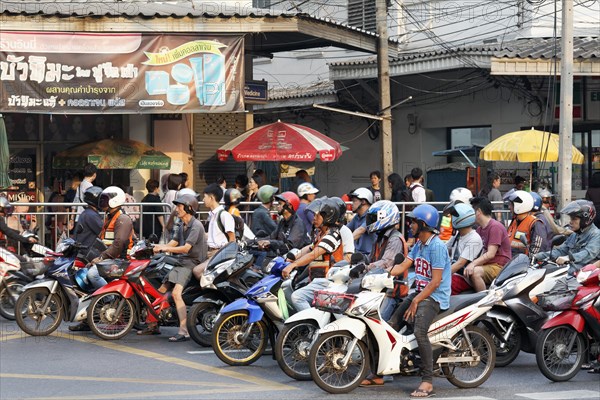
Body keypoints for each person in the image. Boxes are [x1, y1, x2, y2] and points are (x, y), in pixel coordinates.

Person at [385, 204, 451, 397]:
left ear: (423, 224)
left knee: (419, 331)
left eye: (413, 222)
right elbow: (404, 264)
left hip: (434, 297)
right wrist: (380, 273)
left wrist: (416, 301)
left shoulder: (436, 247)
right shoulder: (419, 245)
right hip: (421, 293)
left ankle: (427, 381)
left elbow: (436, 282)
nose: (410, 225)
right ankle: (382, 371)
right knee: (392, 324)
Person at [138, 194, 206, 342]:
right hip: (180, 262)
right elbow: (174, 243)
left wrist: (162, 249)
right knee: (160, 291)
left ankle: (184, 330)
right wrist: (155, 247)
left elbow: (186, 248)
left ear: (188, 208)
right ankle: (153, 324)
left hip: (190, 263)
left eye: (179, 206)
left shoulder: (196, 226)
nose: (176, 209)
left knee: (176, 294)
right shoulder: (182, 224)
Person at [70, 186, 134, 332]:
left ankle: (112, 307)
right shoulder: (110, 217)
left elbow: (118, 245)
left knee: (93, 274)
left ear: (115, 201)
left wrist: (100, 258)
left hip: (121, 261)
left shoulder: (122, 219)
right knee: (83, 276)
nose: (102, 203)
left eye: (106, 200)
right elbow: (102, 241)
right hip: (110, 259)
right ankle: (88, 318)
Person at [283, 199, 344, 310]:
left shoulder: (332, 235)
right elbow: (310, 248)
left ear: (327, 217)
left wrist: (293, 265)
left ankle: (312, 324)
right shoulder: (321, 234)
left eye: (317, 216)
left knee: (297, 297)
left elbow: (313, 254)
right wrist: (293, 257)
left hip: (328, 281)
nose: (313, 219)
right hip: (317, 280)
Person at [535, 200, 600, 291]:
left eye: (574, 219)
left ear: (586, 219)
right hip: (568, 275)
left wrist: (569, 258)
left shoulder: (596, 235)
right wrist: (538, 256)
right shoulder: (575, 234)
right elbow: (561, 250)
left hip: (583, 280)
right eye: (570, 219)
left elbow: (588, 253)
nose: (570, 222)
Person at [464, 197, 511, 292]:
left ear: (478, 212)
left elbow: (490, 254)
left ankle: (484, 301)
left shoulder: (495, 227)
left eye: (472, 211)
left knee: (475, 272)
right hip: (488, 265)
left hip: (499, 266)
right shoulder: (479, 229)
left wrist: (473, 264)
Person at [192, 184, 235, 280]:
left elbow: (232, 240)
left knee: (197, 271)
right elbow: (212, 235)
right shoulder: (211, 215)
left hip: (220, 255)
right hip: (211, 253)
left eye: (205, 197)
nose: (203, 200)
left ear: (211, 198)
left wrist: (218, 253)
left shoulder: (224, 215)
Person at [256, 191, 310, 266]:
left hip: (298, 264)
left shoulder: (298, 223)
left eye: (280, 204)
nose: (277, 206)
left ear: (289, 206)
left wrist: (270, 243)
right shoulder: (283, 221)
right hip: (284, 260)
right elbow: (272, 237)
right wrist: (254, 241)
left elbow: (289, 246)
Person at [446, 203, 483, 295]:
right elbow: (444, 248)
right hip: (454, 273)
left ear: (460, 219)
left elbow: (460, 263)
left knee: (443, 286)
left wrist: (441, 276)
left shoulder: (474, 238)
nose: (450, 220)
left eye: (452, 217)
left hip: (464, 278)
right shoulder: (458, 235)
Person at [506, 190, 548, 255]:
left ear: (520, 205)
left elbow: (538, 249)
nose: (509, 207)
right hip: (511, 261)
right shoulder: (514, 221)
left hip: (524, 263)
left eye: (512, 205)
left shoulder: (535, 223)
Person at [347, 187, 376, 258]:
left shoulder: (372, 215)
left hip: (369, 257)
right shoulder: (357, 216)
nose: (352, 204)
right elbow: (346, 230)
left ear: (363, 202)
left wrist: (345, 241)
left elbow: (361, 230)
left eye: (354, 201)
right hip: (357, 255)